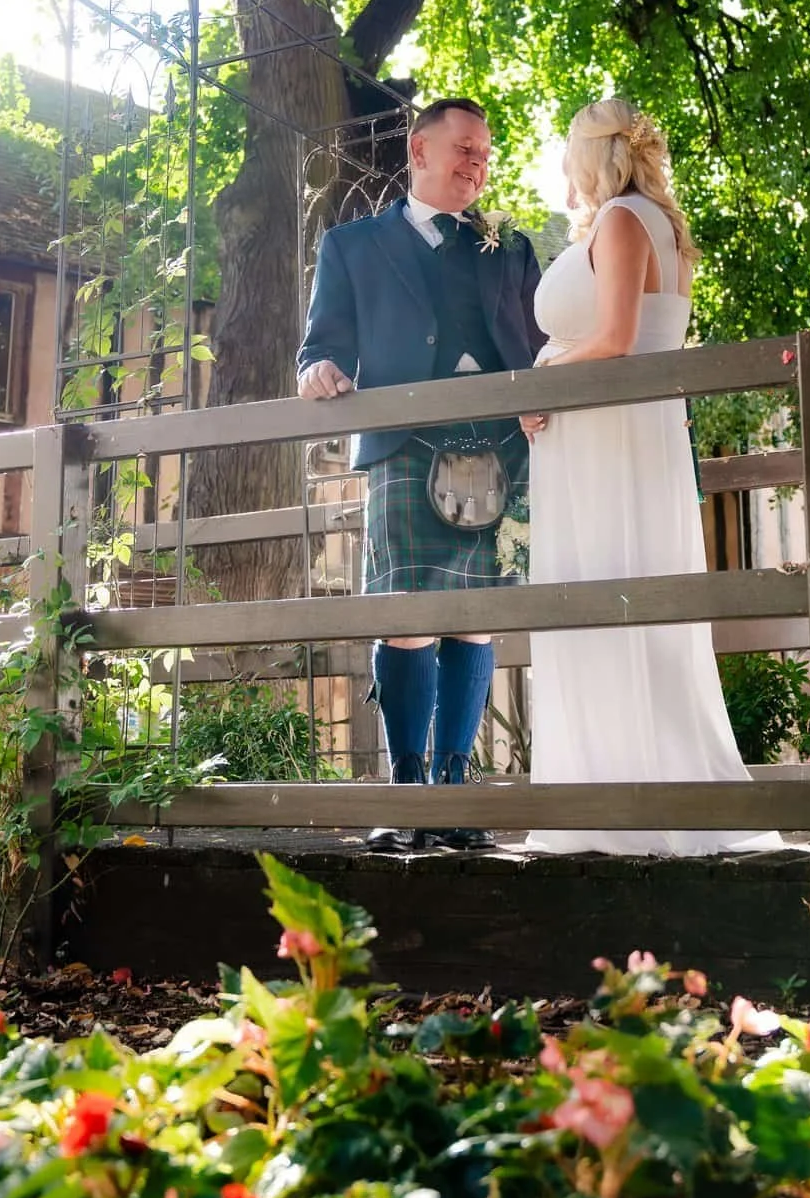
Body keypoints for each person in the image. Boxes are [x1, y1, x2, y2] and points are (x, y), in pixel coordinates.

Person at [518, 99, 783, 856]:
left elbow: (616, 337)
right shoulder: (650, 222)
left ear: (591, 155)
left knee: (612, 588)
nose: (564, 170)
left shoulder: (623, 220)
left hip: (611, 434)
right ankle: (611, 787)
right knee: (613, 591)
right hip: (617, 432)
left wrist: (542, 376)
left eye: (568, 154)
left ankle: (626, 802)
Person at [298, 98, 546, 851]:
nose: (478, 164)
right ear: (419, 150)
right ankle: (407, 797)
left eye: (485, 155)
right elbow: (320, 345)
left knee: (477, 617)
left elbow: (542, 344)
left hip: (502, 443)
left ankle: (454, 796)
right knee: (404, 615)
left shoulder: (510, 246)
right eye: (465, 148)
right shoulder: (352, 245)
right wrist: (317, 370)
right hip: (406, 441)